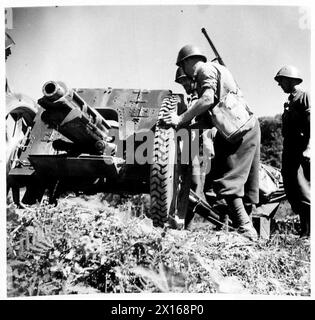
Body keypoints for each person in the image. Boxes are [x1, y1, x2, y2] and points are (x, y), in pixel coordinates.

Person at [161, 45, 260, 241]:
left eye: (183, 65)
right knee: (238, 183)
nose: (185, 73)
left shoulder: (204, 70)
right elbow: (209, 118)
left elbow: (206, 100)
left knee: (226, 181)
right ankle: (244, 227)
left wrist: (180, 119)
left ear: (188, 61)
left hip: (237, 130)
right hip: (242, 127)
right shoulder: (216, 70)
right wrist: (186, 125)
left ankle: (246, 230)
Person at [274, 65, 310, 238]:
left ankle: (309, 230)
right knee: (292, 190)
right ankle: (305, 229)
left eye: (281, 81)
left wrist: (309, 148)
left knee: (303, 190)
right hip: (289, 151)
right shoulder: (289, 101)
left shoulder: (304, 97)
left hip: (301, 151)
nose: (280, 84)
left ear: (290, 79)